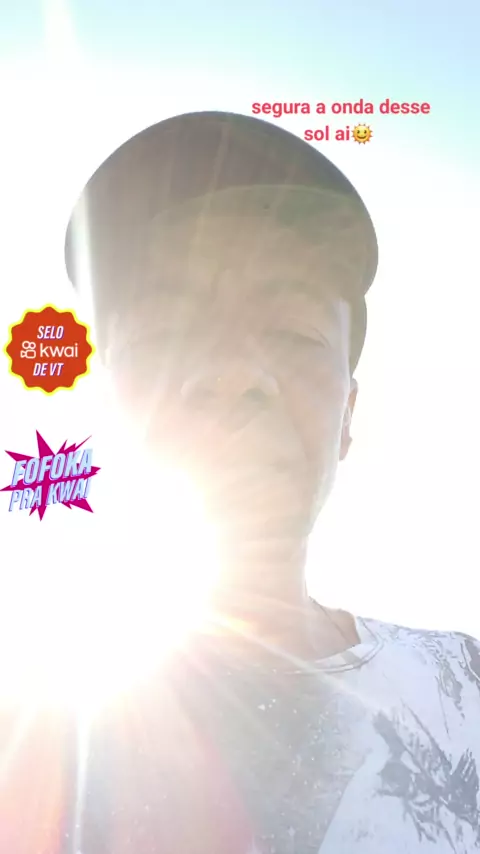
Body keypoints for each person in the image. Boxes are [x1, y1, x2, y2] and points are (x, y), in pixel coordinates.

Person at [62, 112, 480, 853]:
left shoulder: (463, 690)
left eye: (293, 332)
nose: (230, 373)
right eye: (162, 334)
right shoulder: (37, 733)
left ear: (347, 416)